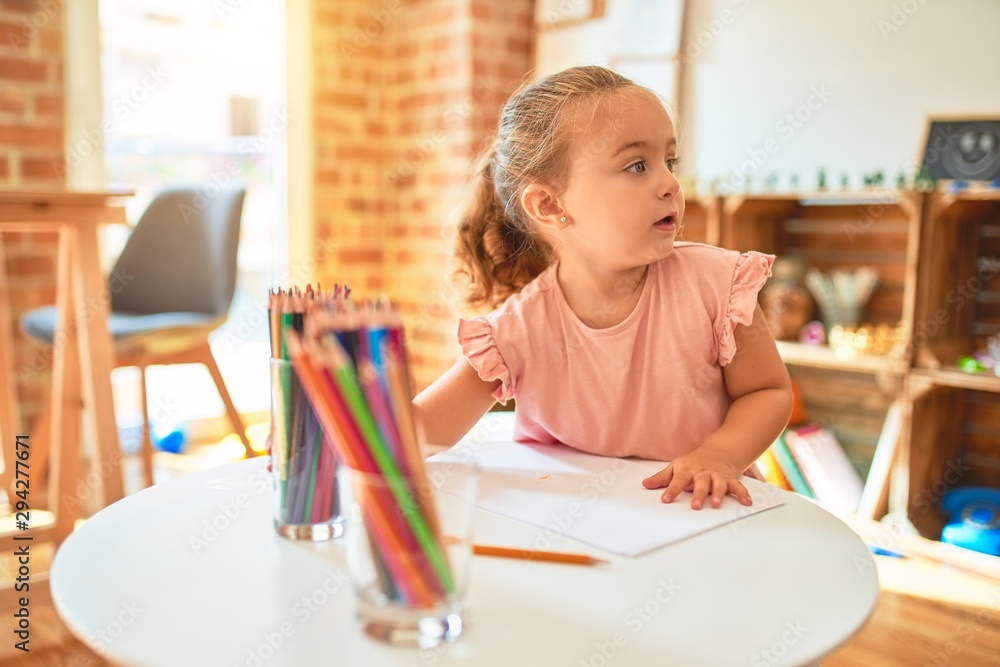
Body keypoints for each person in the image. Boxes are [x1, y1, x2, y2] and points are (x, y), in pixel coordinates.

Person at [412, 65, 793, 510]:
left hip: (700, 515)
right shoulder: (518, 328)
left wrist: (720, 455)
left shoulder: (718, 285)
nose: (670, 183)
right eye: (637, 166)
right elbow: (426, 431)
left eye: (668, 162)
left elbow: (768, 392)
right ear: (550, 204)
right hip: (579, 530)